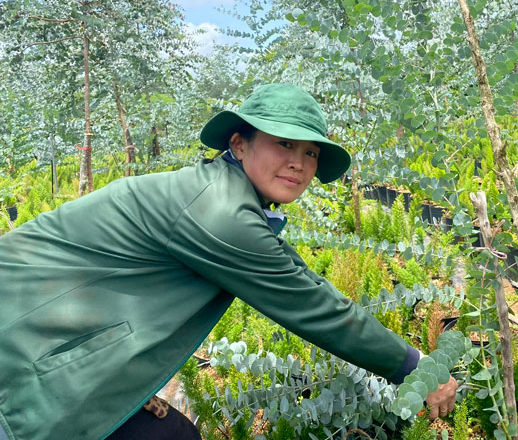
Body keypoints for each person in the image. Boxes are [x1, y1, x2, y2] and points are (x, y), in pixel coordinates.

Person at [0, 83, 457, 440]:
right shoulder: (217, 211)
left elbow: (298, 277)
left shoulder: (227, 198)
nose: (299, 163)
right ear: (239, 145)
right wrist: (419, 370)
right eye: (284, 144)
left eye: (311, 153)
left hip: (45, 330)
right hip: (20, 338)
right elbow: (314, 308)